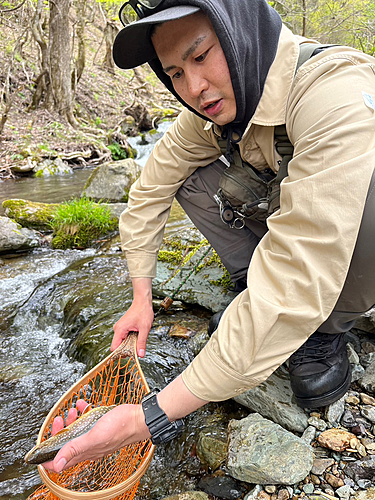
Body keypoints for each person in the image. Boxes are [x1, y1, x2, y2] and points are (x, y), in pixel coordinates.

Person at [44, 0, 375, 473]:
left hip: (346, 236)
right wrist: (142, 295)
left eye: (201, 56)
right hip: (297, 242)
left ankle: (329, 328)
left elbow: (301, 268)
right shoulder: (214, 111)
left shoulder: (334, 94)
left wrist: (149, 416)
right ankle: (251, 285)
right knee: (187, 173)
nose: (194, 88)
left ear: (242, 32)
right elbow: (148, 190)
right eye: (176, 72)